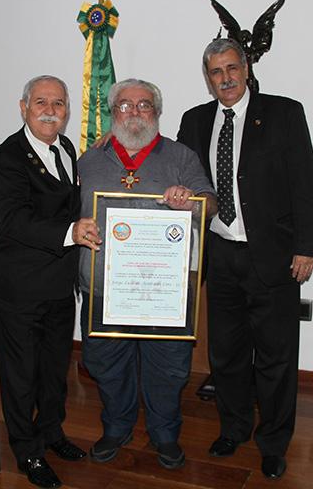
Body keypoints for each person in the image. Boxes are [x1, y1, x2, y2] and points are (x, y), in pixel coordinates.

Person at [177, 38, 313, 479]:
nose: (225, 79)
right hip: (219, 256)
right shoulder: (195, 121)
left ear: (245, 68)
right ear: (208, 78)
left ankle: (274, 442)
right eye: (215, 72)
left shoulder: (284, 113)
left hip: (274, 257)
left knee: (276, 357)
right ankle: (234, 428)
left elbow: (305, 183)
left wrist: (307, 247)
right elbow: (179, 175)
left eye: (231, 68)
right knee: (227, 355)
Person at [77, 78, 217, 470]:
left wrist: (191, 202)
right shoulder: (88, 160)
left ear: (156, 111)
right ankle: (116, 427)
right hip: (104, 286)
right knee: (106, 362)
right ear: (112, 113)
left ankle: (165, 433)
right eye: (124, 105)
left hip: (163, 291)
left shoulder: (181, 157)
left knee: (168, 366)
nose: (134, 112)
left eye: (143, 105)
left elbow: (212, 205)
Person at [0, 75, 99, 489]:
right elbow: (13, 220)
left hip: (57, 284)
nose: (50, 110)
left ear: (67, 110)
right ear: (23, 107)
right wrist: (71, 232)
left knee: (53, 369)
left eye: (59, 103)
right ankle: (27, 450)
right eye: (40, 102)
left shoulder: (66, 148)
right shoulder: (5, 159)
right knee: (20, 375)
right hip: (19, 286)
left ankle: (52, 432)